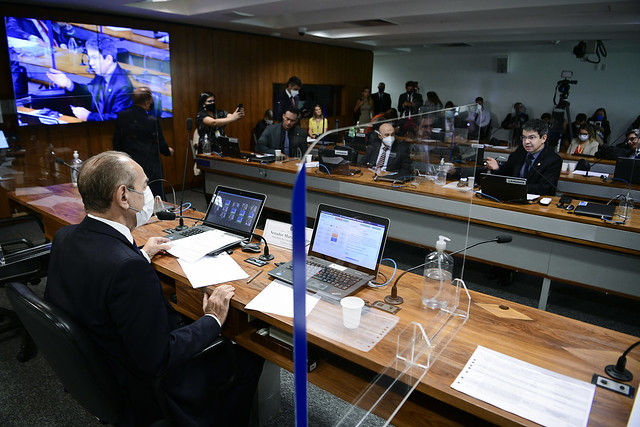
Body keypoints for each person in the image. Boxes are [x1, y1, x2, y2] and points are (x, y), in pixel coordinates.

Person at [44, 151, 262, 426]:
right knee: (249, 354)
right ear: (123, 196)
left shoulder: (65, 237)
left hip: (102, 367)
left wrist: (141, 255)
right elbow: (158, 358)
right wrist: (212, 320)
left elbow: (101, 276)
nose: (149, 194)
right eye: (145, 186)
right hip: (146, 388)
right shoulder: (126, 269)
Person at [46, 35, 133, 121]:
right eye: (89, 58)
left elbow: (118, 119)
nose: (91, 63)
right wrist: (68, 83)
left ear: (109, 59)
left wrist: (89, 116)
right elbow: (89, 91)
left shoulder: (124, 86)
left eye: (94, 58)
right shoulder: (102, 73)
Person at [113, 87, 174, 199]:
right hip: (151, 168)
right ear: (147, 101)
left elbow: (116, 144)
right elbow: (162, 146)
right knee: (157, 199)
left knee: (134, 197)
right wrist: (168, 151)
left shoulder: (122, 117)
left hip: (129, 166)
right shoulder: (152, 121)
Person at [485, 119, 561, 196]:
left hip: (536, 201)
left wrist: (516, 188)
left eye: (531, 137)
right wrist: (497, 168)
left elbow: (545, 188)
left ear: (543, 138)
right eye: (524, 137)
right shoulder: (520, 151)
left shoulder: (553, 160)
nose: (526, 142)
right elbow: (508, 172)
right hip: (512, 195)